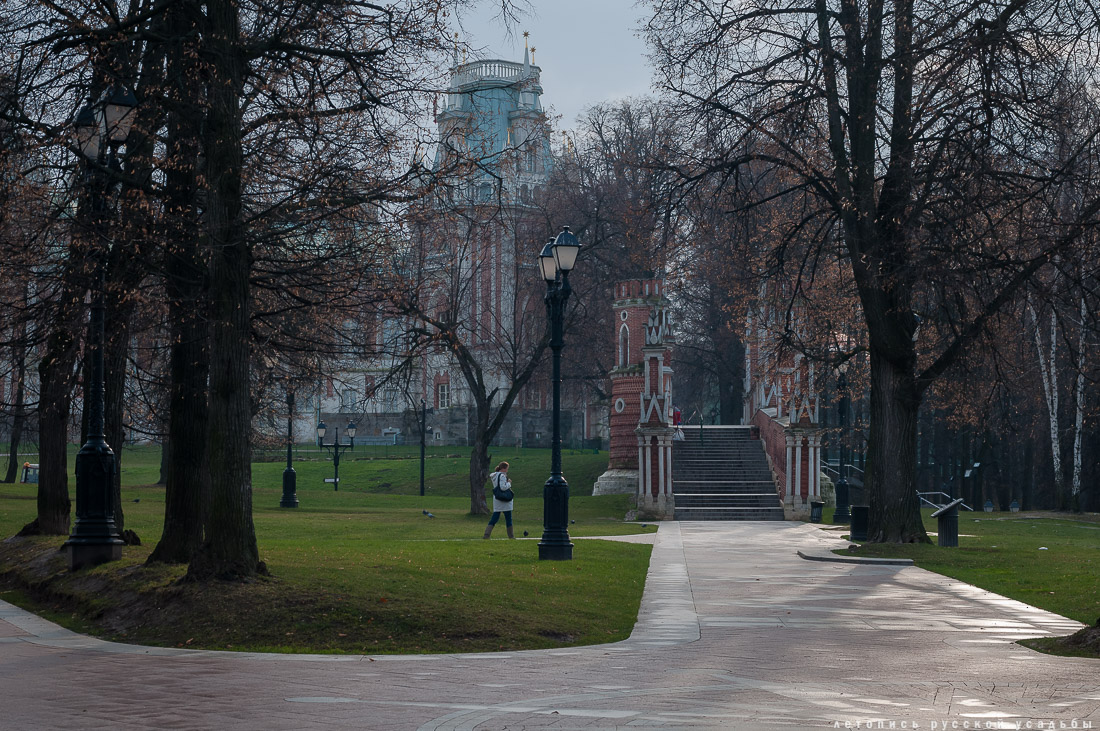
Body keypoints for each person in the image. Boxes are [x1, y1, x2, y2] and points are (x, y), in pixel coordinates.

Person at [483, 461, 515, 539]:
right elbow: (503, 487)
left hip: (497, 499)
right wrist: (509, 483)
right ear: (504, 468)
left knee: (495, 517)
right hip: (504, 499)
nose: (507, 470)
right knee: (508, 518)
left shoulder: (494, 475)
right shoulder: (502, 476)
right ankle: (511, 536)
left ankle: (487, 534)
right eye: (507, 468)